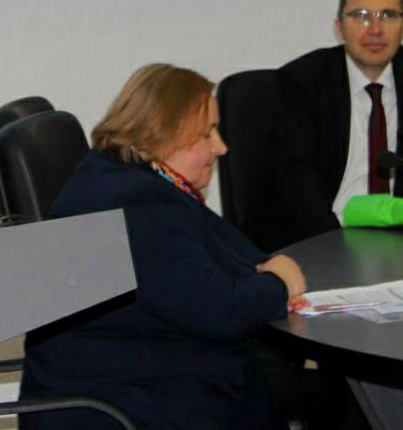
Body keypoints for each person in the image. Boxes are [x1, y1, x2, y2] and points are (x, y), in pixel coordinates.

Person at [18, 64, 308, 430]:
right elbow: (221, 312)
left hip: (126, 377)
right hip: (131, 399)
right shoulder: (141, 204)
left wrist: (265, 273)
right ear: (166, 134)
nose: (221, 147)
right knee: (308, 386)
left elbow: (223, 253)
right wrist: (279, 283)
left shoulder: (115, 173)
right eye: (207, 134)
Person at [260, 0, 403, 251]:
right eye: (361, 16)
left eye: (388, 15)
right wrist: (334, 250)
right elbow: (297, 185)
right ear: (339, 27)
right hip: (329, 235)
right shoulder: (302, 83)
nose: (376, 29)